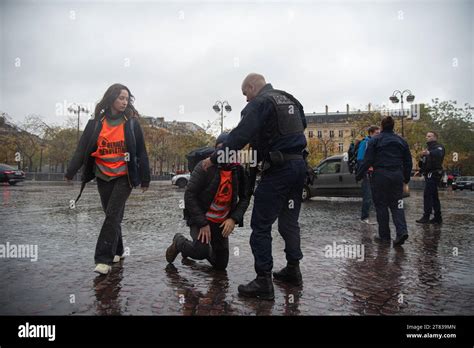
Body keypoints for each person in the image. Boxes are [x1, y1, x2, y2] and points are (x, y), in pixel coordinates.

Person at [201, 73, 307, 300]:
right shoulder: (291, 99)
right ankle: (293, 269)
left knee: (260, 225)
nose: (246, 99)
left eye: (245, 94)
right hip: (299, 167)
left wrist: (216, 157)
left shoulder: (260, 103)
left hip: (278, 169)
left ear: (251, 87)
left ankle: (263, 281)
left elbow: (238, 137)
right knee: (289, 222)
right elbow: (302, 126)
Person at [65, 83, 150, 274]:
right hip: (102, 175)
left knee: (112, 214)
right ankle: (118, 250)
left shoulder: (132, 122)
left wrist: (145, 178)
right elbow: (82, 149)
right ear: (111, 98)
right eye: (121, 98)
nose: (124, 102)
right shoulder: (96, 123)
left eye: (127, 99)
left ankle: (103, 259)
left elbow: (141, 152)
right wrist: (71, 171)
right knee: (112, 215)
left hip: (124, 176)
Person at [165, 133, 251, 271]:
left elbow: (245, 197)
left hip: (221, 223)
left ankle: (196, 249)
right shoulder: (205, 166)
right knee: (201, 252)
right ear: (216, 150)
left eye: (229, 149)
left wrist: (233, 219)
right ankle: (179, 242)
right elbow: (190, 195)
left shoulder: (239, 170)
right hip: (201, 219)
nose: (225, 153)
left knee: (221, 265)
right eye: (221, 149)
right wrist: (202, 223)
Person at [356, 116, 412, 247]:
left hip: (380, 175)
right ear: (393, 126)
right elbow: (408, 161)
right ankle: (401, 231)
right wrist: (406, 178)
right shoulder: (401, 141)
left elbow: (367, 160)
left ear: (381, 127)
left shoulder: (375, 140)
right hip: (397, 175)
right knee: (397, 204)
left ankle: (384, 236)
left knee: (381, 205)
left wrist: (359, 174)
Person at [416, 131, 445, 224]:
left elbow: (438, 153)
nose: (427, 137)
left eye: (429, 136)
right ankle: (437, 217)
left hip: (434, 173)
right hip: (428, 173)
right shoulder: (427, 148)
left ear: (435, 137)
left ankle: (426, 216)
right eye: (426, 136)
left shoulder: (438, 147)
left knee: (428, 194)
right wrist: (420, 170)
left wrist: (428, 153)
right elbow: (424, 162)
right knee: (434, 196)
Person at [357, 125, 380, 224]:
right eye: (376, 133)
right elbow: (360, 158)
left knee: (374, 196)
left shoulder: (376, 143)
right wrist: (366, 168)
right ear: (371, 133)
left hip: (374, 172)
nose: (378, 135)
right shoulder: (365, 142)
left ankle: (369, 216)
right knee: (368, 196)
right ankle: (364, 218)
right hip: (367, 173)